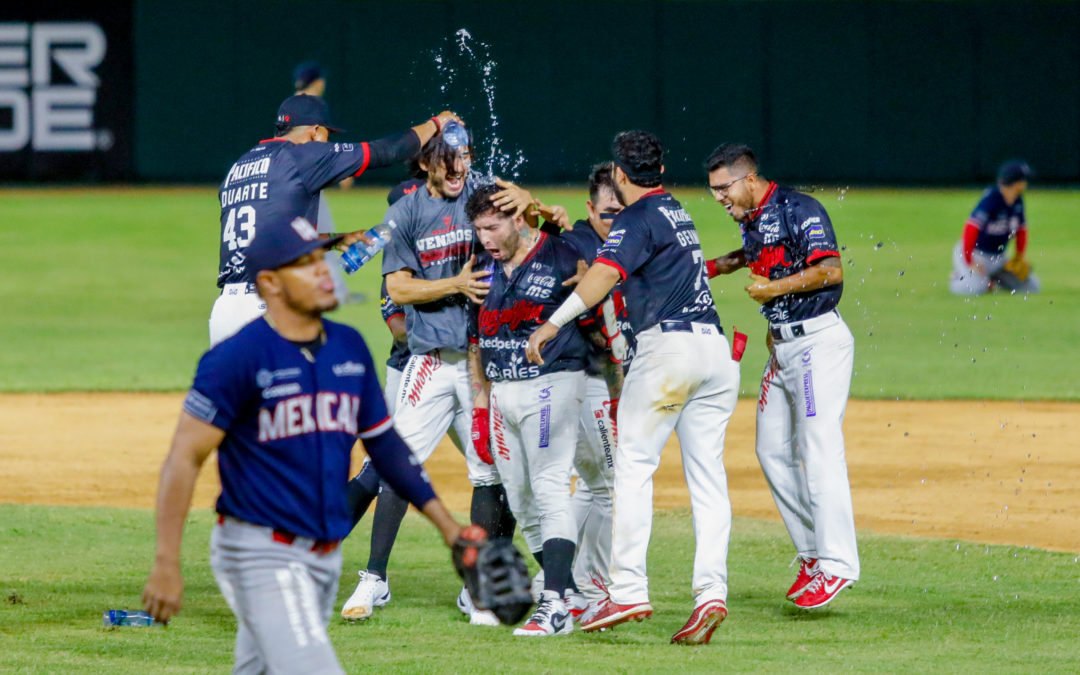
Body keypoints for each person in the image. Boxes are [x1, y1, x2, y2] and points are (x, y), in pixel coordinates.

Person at [142, 214, 467, 674]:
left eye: (322, 257)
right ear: (271, 283)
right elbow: (183, 458)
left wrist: (449, 529)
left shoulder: (349, 347)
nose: (324, 270)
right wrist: (165, 561)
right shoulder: (237, 358)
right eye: (306, 263)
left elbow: (388, 448)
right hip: (258, 551)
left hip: (322, 556)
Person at [527, 131, 740, 645]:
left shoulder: (637, 217)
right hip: (716, 353)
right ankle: (711, 592)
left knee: (633, 467)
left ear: (621, 177)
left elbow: (604, 275)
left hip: (670, 356)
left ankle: (627, 588)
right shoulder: (677, 212)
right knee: (708, 479)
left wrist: (553, 322)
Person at [340, 131, 530, 625]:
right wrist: (455, 284)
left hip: (482, 364)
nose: (459, 169)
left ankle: (481, 585)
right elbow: (396, 291)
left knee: (494, 468)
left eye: (465, 157)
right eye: (448, 160)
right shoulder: (403, 215)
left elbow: (535, 225)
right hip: (425, 361)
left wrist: (531, 203)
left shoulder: (484, 192)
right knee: (395, 465)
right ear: (425, 164)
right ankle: (374, 578)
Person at [702, 142, 860, 610]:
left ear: (748, 179)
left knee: (819, 446)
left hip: (817, 344)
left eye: (722, 188)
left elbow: (830, 271)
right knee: (771, 450)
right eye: (712, 190)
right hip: (784, 349)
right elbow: (746, 256)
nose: (718, 198)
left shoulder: (799, 208)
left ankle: (838, 564)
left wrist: (775, 288)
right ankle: (813, 553)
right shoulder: (752, 219)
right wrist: (700, 270)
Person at [210, 93, 457, 346]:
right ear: (316, 131)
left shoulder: (239, 167)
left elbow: (270, 236)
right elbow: (387, 151)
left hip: (226, 310)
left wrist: (337, 239)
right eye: (328, 134)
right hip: (271, 305)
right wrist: (436, 124)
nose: (327, 141)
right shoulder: (302, 155)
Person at [465, 183, 589, 636]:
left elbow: (602, 273)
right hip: (502, 393)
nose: (486, 239)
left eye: (493, 227)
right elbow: (474, 339)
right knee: (520, 499)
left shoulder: (563, 253)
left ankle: (553, 604)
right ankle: (569, 590)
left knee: (550, 484)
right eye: (479, 229)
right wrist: (481, 402)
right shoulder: (480, 265)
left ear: (518, 219)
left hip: (551, 383)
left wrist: (547, 209)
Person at [556, 164, 628, 622]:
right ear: (589, 210)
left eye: (622, 213)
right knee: (610, 485)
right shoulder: (577, 246)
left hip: (599, 379)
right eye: (607, 215)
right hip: (580, 379)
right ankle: (591, 587)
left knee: (591, 483)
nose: (615, 222)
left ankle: (565, 582)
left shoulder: (625, 240)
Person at [949, 160, 1040, 295]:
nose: (1025, 184)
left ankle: (988, 279)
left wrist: (1019, 256)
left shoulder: (1018, 201)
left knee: (1031, 287)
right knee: (975, 289)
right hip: (975, 254)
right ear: (1014, 183)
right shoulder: (992, 198)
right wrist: (970, 261)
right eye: (1023, 180)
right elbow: (971, 228)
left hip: (998, 259)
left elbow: (1021, 231)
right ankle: (958, 277)